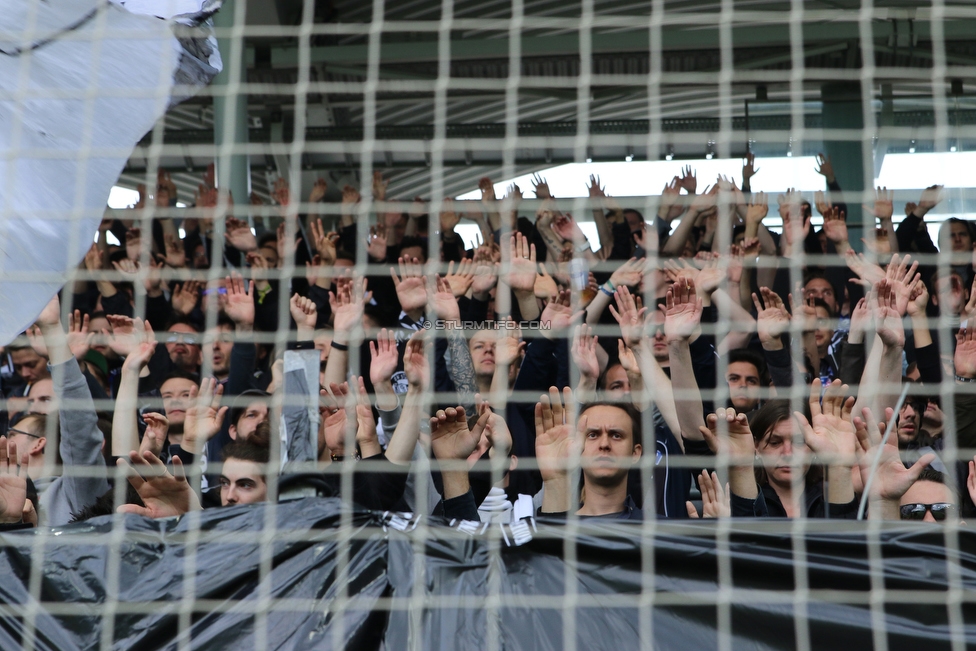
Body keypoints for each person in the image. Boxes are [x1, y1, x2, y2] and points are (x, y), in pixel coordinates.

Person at [535, 387, 643, 519]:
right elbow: (551, 539)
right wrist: (557, 478)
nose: (604, 444)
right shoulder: (555, 531)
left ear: (635, 453)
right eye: (592, 435)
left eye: (616, 435)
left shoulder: (661, 532)